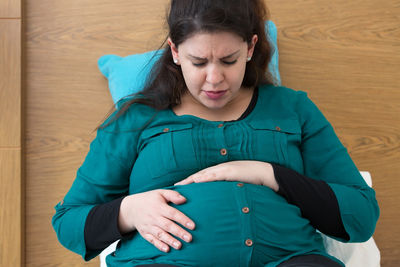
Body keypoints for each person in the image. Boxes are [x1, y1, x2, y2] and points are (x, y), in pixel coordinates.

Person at [52, 0, 380, 266]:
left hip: (290, 259)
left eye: (228, 60)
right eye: (198, 62)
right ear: (175, 52)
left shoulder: (293, 109)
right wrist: (130, 210)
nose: (214, 78)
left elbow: (361, 213)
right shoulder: (138, 116)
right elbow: (68, 221)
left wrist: (268, 174)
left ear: (251, 47)